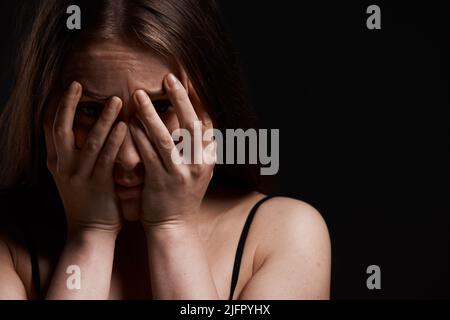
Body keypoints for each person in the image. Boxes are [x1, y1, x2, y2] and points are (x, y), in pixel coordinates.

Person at [0, 0, 331, 300]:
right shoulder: (8, 247)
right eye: (91, 111)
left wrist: (173, 229)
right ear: (45, 112)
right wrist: (90, 235)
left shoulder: (283, 236)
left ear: (211, 108)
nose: (128, 159)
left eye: (160, 108)